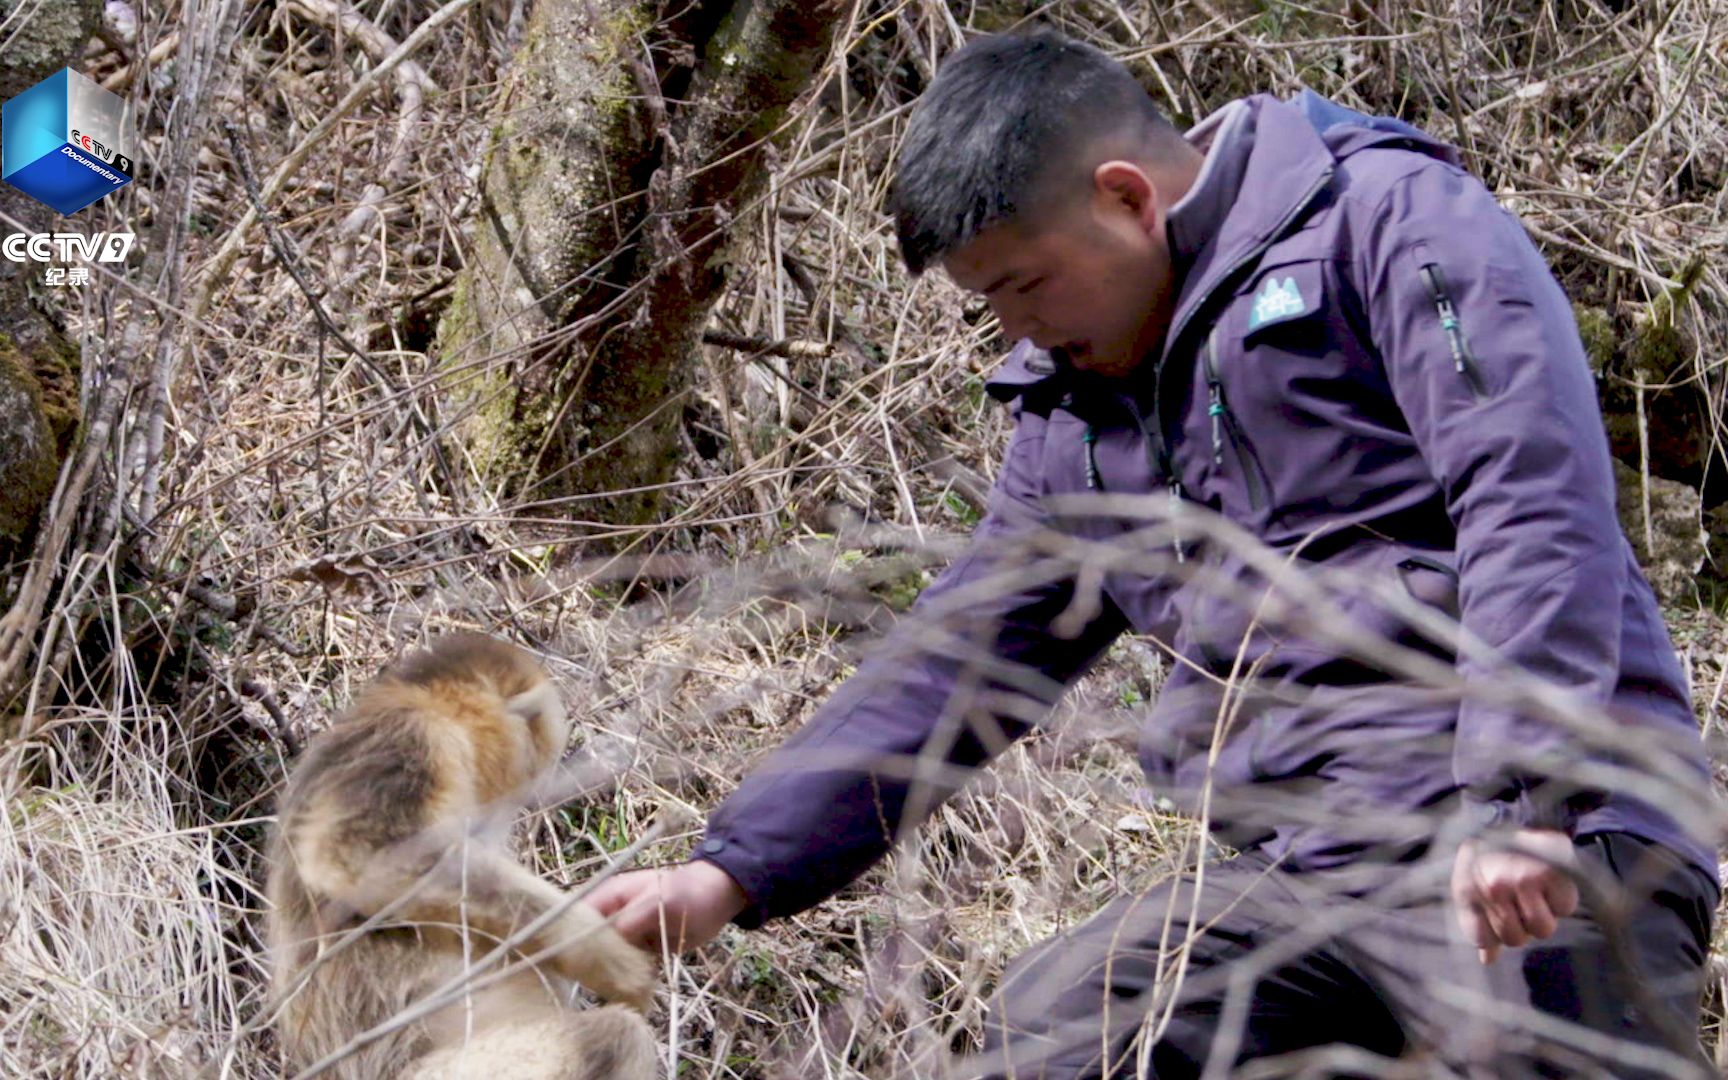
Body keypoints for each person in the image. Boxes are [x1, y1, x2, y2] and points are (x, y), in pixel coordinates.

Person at [587, 32, 1719, 1078]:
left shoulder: (1390, 225)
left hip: (1551, 833)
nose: (1015, 332)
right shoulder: (1076, 423)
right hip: (1310, 871)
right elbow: (960, 663)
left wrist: (1527, 795)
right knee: (1072, 1020)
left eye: (1023, 286)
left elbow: (1529, 488)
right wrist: (728, 873)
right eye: (987, 306)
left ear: (1125, 199)